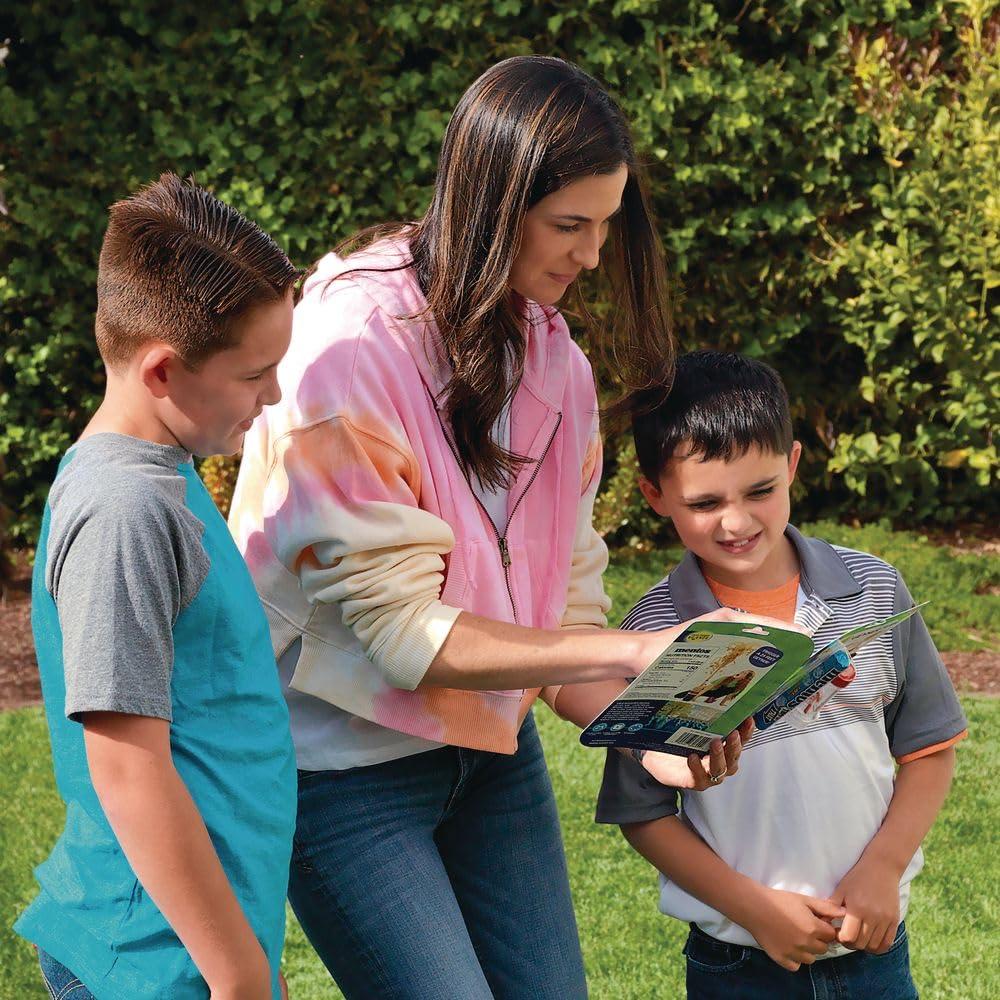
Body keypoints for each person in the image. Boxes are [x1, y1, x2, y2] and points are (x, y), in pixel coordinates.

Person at [229, 57, 748, 999]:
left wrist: (650, 733)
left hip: (486, 763)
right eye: (569, 225)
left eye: (606, 224)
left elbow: (565, 616)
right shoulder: (348, 352)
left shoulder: (561, 370)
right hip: (339, 771)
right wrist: (635, 659)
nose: (592, 255)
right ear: (494, 202)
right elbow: (398, 637)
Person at [596, 350, 968, 1000]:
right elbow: (643, 811)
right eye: (706, 502)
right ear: (654, 494)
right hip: (737, 962)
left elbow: (930, 749)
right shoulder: (652, 636)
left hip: (874, 946)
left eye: (761, 491)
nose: (736, 522)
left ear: (793, 464)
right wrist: (754, 910)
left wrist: (883, 870)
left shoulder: (874, 590)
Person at [14, 174, 300, 1000]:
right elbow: (126, 766)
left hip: (192, 949)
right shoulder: (125, 508)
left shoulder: (164, 467)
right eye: (256, 374)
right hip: (153, 959)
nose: (273, 395)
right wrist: (239, 973)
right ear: (165, 371)